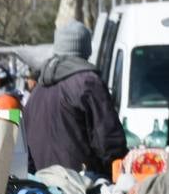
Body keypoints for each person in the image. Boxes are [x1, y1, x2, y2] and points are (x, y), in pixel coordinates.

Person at [25, 20, 126, 175]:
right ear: (86, 49)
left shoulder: (38, 90)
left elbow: (27, 146)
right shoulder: (88, 82)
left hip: (41, 186)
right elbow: (108, 141)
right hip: (80, 188)